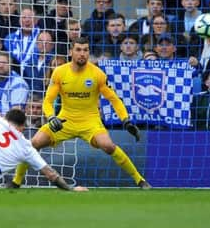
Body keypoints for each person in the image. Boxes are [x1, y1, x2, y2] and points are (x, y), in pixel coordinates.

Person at [10, 37, 151, 189]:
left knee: (108, 146)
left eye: (85, 50)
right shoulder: (59, 72)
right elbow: (48, 101)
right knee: (33, 144)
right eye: (78, 50)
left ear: (89, 52)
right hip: (65, 120)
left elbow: (114, 99)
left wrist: (126, 120)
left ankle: (140, 180)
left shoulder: (97, 74)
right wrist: (51, 117)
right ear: (71, 52)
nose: (82, 53)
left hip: (90, 121)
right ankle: (16, 181)